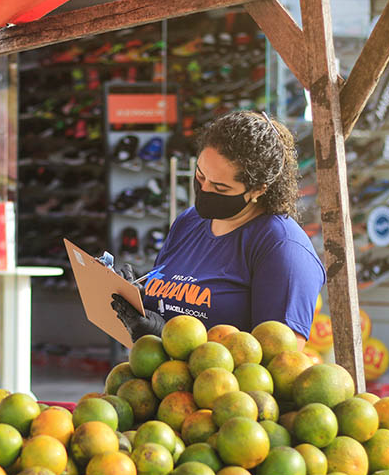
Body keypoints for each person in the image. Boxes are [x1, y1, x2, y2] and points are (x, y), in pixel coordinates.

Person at [111, 111, 325, 349]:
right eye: (200, 175)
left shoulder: (283, 248)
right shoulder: (189, 223)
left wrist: (168, 337)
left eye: (220, 187)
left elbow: (280, 362)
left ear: (258, 190)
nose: (204, 189)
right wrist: (142, 304)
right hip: (161, 382)